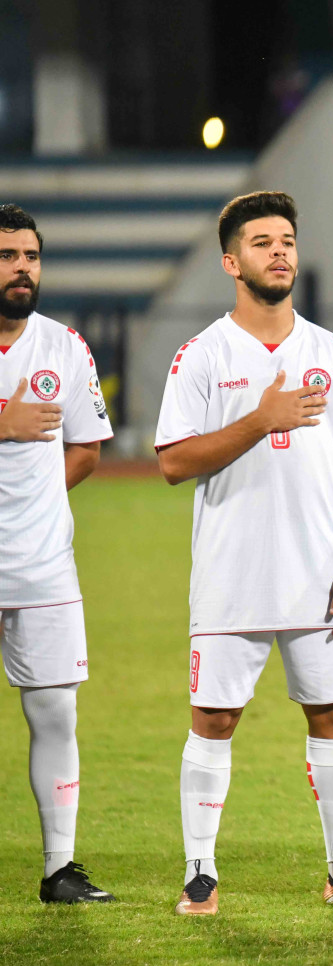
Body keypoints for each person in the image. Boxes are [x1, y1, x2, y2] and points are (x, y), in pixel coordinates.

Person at [154, 191, 333, 916]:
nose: (280, 252)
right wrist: (259, 419)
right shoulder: (202, 354)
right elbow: (172, 462)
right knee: (215, 720)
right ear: (232, 262)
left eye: (287, 239)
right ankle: (200, 872)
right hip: (231, 575)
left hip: (319, 577)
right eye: (262, 242)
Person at [0, 204, 114, 904]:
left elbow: (87, 446)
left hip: (43, 565)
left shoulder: (65, 346)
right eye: (8, 254)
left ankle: (60, 869)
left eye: (31, 256)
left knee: (56, 715)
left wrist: (41, 498)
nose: (21, 268)